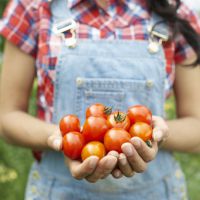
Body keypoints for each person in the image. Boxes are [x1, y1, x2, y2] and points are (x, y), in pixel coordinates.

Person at [0, 0, 200, 199]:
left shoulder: (177, 13)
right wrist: (60, 139)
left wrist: (153, 136)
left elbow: (196, 126)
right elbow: (6, 117)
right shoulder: (32, 7)